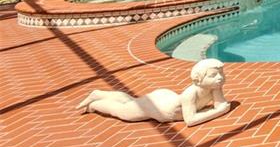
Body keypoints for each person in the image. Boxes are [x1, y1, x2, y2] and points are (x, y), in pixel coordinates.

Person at [76, 58, 230, 127]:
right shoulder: (191, 93)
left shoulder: (214, 86)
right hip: (158, 108)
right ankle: (95, 104)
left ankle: (99, 94)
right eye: (213, 76)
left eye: (221, 74)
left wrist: (220, 107)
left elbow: (220, 105)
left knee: (131, 101)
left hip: (166, 97)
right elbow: (190, 121)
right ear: (198, 80)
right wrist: (218, 112)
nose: (219, 78)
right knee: (123, 112)